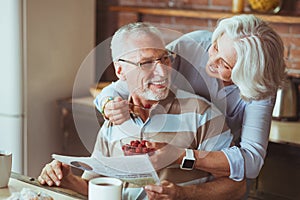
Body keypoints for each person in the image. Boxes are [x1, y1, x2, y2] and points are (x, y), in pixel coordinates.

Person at [38, 22, 246, 200]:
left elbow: (237, 186)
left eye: (165, 58)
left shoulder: (202, 114)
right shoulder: (115, 118)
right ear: (120, 71)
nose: (162, 71)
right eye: (146, 63)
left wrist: (183, 194)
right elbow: (96, 189)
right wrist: (66, 179)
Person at [95, 14, 286, 197]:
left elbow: (251, 163)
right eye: (216, 47)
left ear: (246, 74)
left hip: (221, 174)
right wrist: (107, 104)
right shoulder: (190, 46)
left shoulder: (260, 87)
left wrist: (180, 156)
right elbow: (133, 74)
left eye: (225, 64)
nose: (211, 61)